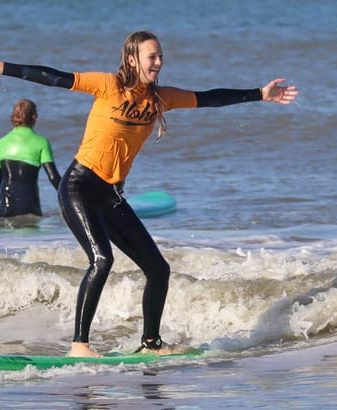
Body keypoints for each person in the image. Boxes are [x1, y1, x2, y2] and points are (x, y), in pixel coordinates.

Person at [0, 31, 298, 357]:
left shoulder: (160, 99)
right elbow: (52, 77)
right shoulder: (108, 85)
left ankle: (150, 343)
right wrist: (4, 67)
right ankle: (79, 345)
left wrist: (259, 94)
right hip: (79, 186)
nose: (158, 62)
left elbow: (210, 97)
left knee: (158, 269)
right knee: (101, 260)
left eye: (160, 56)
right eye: (151, 56)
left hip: (110, 195)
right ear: (132, 59)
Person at [0, 99, 61, 218]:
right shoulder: (41, 143)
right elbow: (53, 177)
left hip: (5, 210)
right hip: (30, 209)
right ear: (34, 117)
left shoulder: (1, 143)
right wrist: (71, 199)